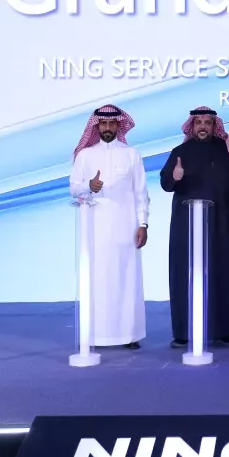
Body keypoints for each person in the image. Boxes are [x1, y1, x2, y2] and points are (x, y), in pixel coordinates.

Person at [160, 107, 229, 349]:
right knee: (185, 276)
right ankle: (184, 331)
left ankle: (225, 331)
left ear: (214, 126)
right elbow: (166, 184)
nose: (202, 126)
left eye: (207, 123)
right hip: (187, 225)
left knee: (225, 274)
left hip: (224, 223)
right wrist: (174, 176)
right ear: (191, 126)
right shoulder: (179, 152)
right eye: (198, 122)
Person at [68, 104, 150, 350]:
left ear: (118, 125)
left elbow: (141, 193)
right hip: (95, 230)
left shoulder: (131, 154)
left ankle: (129, 334)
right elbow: (74, 187)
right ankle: (96, 335)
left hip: (126, 228)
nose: (107, 128)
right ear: (97, 126)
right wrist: (89, 186)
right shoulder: (85, 155)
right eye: (103, 124)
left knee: (127, 280)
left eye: (111, 123)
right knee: (98, 281)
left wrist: (143, 223)